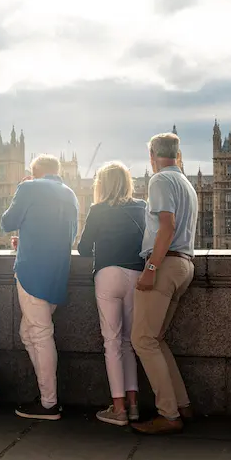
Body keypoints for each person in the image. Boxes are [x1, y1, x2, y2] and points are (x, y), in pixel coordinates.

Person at [1, 155, 79, 421]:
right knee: (28, 332)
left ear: (34, 173)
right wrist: (26, 239)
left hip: (32, 271)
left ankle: (48, 403)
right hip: (58, 272)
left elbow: (7, 222)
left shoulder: (29, 187)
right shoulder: (70, 194)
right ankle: (46, 394)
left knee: (42, 334)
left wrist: (20, 190)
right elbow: (69, 235)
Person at [131, 132, 198, 434]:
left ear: (152, 156)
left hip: (166, 263)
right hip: (185, 264)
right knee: (156, 339)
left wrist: (151, 268)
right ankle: (182, 405)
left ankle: (169, 415)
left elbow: (166, 227)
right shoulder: (186, 183)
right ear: (177, 154)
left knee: (142, 340)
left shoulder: (159, 180)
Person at [77, 161, 146, 426]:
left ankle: (117, 409)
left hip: (108, 275)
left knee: (112, 342)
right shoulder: (141, 207)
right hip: (137, 276)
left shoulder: (97, 209)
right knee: (130, 342)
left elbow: (83, 248)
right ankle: (134, 405)